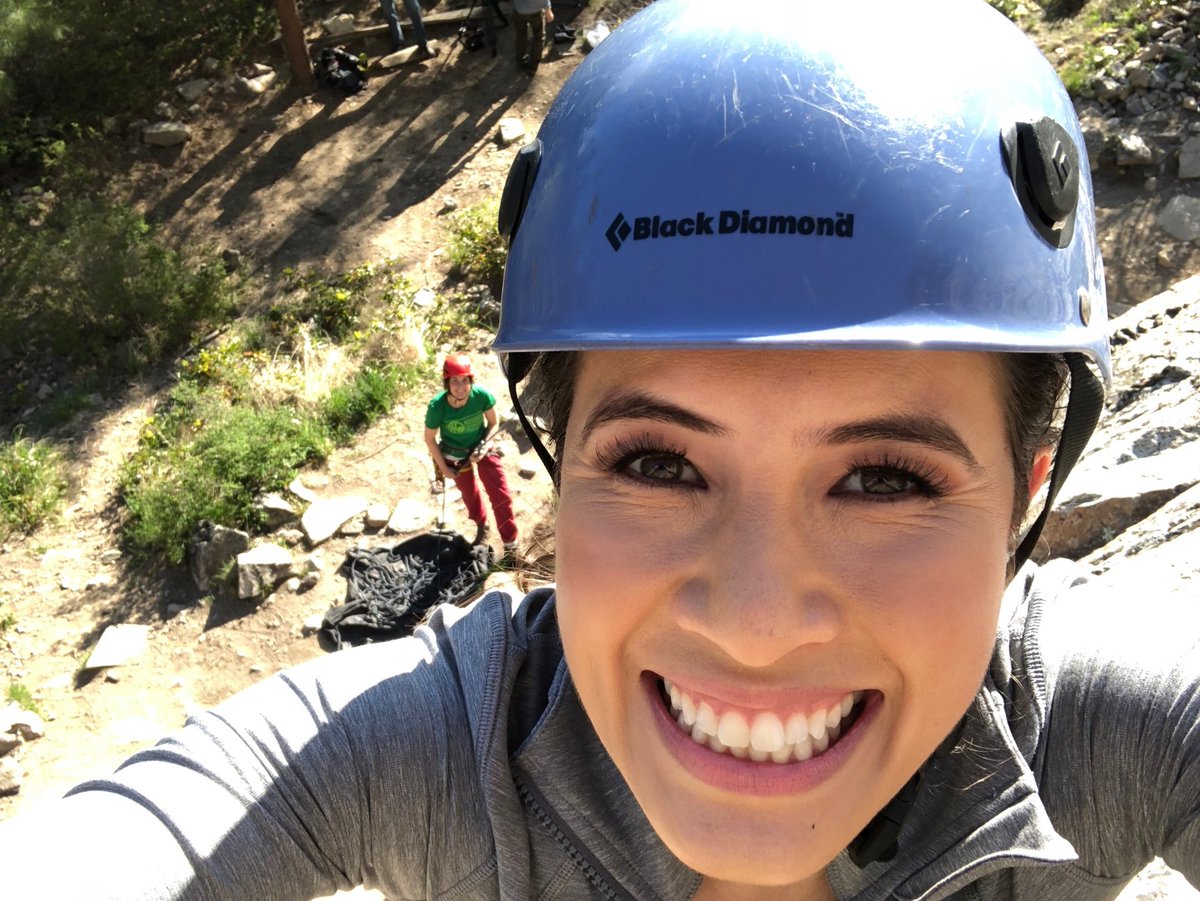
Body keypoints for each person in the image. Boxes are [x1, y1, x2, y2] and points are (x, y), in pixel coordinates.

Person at [3, 1, 1199, 899]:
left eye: (884, 478)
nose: (756, 620)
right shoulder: (446, 751)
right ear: (559, 459)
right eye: (658, 464)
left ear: (1027, 504)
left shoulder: (1093, 731)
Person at [425, 352, 519, 556]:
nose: (460, 386)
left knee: (500, 493)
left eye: (465, 380)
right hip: (454, 453)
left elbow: (493, 423)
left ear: (471, 381)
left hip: (480, 446)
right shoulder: (437, 407)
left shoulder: (481, 396)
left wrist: (485, 445)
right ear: (447, 382)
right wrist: (443, 468)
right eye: (455, 381)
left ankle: (511, 543)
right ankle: (481, 525)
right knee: (469, 494)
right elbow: (430, 439)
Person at [512, 0, 552, 73]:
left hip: (518, 10)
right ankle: (532, 66)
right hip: (535, 12)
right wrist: (548, 9)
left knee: (521, 35)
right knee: (539, 37)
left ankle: (520, 60)